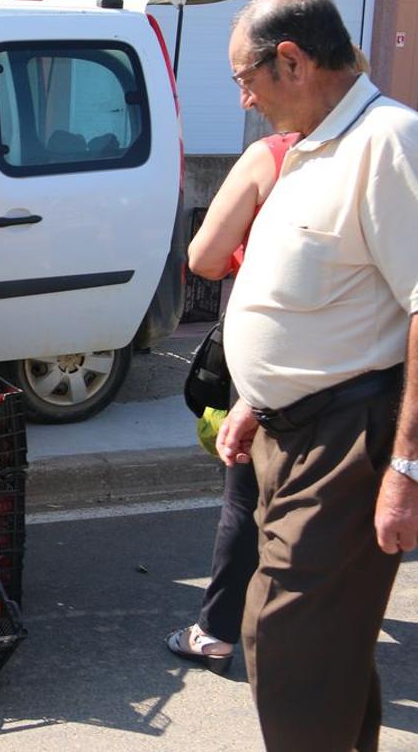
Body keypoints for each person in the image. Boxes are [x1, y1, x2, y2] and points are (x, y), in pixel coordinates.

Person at [216, 0, 418, 751]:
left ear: (292, 61)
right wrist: (255, 397)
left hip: (350, 441)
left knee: (290, 645)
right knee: (326, 652)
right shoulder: (310, 144)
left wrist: (406, 467)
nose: (243, 96)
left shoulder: (388, 140)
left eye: (247, 77)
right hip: (290, 433)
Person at [164, 128, 297, 672]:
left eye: (247, 81)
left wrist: (250, 245)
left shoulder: (272, 155)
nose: (244, 99)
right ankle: (312, 627)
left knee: (246, 496)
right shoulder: (387, 146)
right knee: (323, 501)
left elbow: (205, 258)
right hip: (364, 363)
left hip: (273, 349)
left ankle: (217, 632)